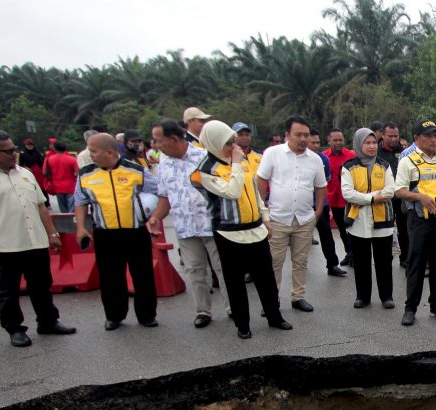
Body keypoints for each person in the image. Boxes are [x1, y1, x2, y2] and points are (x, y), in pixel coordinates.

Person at [192, 120, 292, 339]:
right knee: (235, 283)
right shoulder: (206, 170)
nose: (234, 147)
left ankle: (274, 317)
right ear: (215, 143)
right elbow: (232, 191)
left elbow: (254, 191)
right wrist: (236, 163)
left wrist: (265, 218)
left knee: (266, 278)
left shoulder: (241, 160)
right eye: (229, 143)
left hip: (255, 230)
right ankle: (242, 324)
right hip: (229, 234)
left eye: (234, 141)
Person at [0, 128, 76, 347]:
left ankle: (48, 322)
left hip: (35, 241)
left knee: (42, 285)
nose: (13, 154)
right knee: (9, 290)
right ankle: (15, 329)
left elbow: (41, 206)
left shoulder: (25, 173)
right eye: (6, 151)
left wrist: (52, 233)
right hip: (5, 245)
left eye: (14, 149)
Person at [75, 133, 160, 331]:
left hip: (135, 232)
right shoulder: (85, 174)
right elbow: (80, 202)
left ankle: (147, 315)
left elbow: (158, 191)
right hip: (106, 234)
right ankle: (114, 315)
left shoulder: (137, 170)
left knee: (143, 275)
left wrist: (152, 216)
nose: (91, 155)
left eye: (94, 151)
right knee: (110, 277)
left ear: (110, 152)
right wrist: (81, 227)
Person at [147, 119, 222, 328]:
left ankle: (233, 308)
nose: (156, 145)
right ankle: (203, 311)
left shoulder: (204, 157)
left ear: (173, 139)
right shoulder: (163, 164)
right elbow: (164, 197)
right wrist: (155, 218)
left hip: (212, 224)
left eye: (158, 140)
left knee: (222, 269)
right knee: (195, 271)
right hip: (185, 228)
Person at [393, 118, 436, 327]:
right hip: (420, 220)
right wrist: (420, 197)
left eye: (435, 135)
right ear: (417, 139)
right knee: (417, 264)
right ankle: (410, 308)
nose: (434, 139)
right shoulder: (408, 161)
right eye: (429, 135)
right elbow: (399, 191)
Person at [256, 115, 327, 313]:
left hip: (304, 219)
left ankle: (298, 297)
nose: (303, 139)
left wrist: (318, 211)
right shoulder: (272, 153)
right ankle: (272, 300)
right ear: (287, 135)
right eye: (298, 134)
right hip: (277, 218)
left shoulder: (315, 159)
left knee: (301, 261)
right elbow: (261, 180)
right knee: (274, 262)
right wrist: (263, 209)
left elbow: (321, 187)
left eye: (306, 135)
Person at [341, 128, 395, 309]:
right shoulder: (349, 166)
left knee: (384, 261)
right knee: (362, 261)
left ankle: (386, 296)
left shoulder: (384, 165)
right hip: (358, 221)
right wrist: (371, 198)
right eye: (367, 143)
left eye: (374, 143)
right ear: (358, 144)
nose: (372, 146)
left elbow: (389, 191)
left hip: (383, 220)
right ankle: (362, 297)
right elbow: (348, 193)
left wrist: (362, 196)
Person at [323, 127, 356, 269]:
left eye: (340, 140)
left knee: (353, 230)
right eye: (335, 140)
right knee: (342, 231)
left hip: (351, 200)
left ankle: (355, 255)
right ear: (329, 141)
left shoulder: (352, 155)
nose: (338, 142)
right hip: (334, 200)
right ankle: (349, 253)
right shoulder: (324, 157)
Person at [378, 122, 409, 267]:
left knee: (404, 229)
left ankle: (405, 258)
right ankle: (385, 257)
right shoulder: (376, 152)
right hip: (384, 197)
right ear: (383, 135)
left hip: (401, 197)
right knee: (386, 228)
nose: (393, 139)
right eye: (390, 136)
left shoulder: (404, 152)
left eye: (396, 136)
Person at [43, 142, 78, 212]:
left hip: (57, 186)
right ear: (65, 149)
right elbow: (77, 172)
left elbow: (44, 172)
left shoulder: (49, 159)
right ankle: (72, 220)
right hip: (71, 186)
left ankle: (65, 221)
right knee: (71, 208)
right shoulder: (72, 159)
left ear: (55, 149)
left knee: (63, 208)